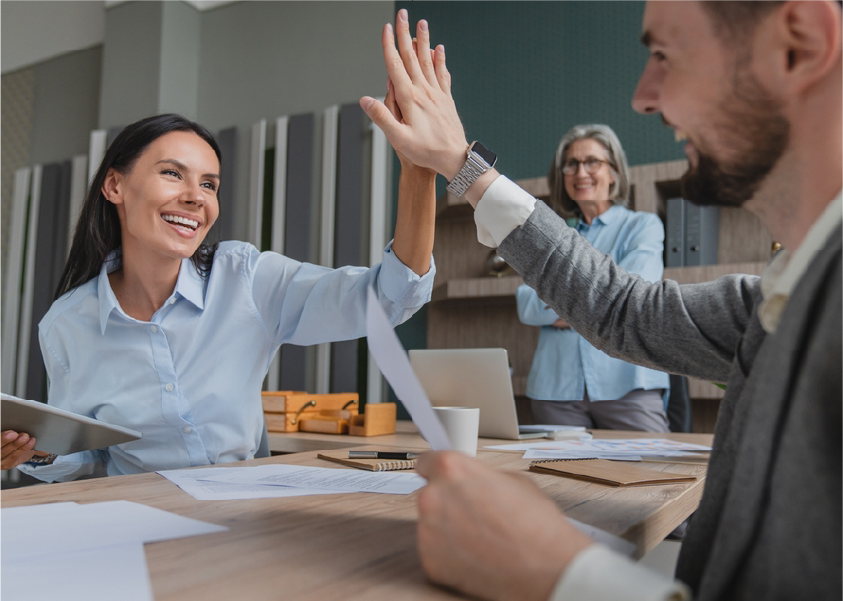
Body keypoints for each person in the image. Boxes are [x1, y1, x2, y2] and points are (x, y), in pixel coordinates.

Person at [358, 1, 843, 600]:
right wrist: (462, 166)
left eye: (665, 54)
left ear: (800, 45)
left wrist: (559, 572)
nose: (643, 96)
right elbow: (622, 310)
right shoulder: (789, 293)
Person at [0, 111, 437, 481]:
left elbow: (385, 299)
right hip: (138, 519)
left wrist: (419, 173)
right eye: (172, 174)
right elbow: (84, 457)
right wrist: (33, 451)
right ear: (114, 186)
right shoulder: (66, 324)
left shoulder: (246, 278)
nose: (195, 197)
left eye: (209, 185)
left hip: (242, 519)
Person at [517, 124, 669, 431]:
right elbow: (527, 305)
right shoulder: (552, 233)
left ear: (613, 172)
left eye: (592, 162)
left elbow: (628, 299)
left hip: (628, 383)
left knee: (655, 476)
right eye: (571, 164)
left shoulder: (643, 226)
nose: (580, 172)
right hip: (555, 388)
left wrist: (561, 299)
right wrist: (595, 304)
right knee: (559, 478)